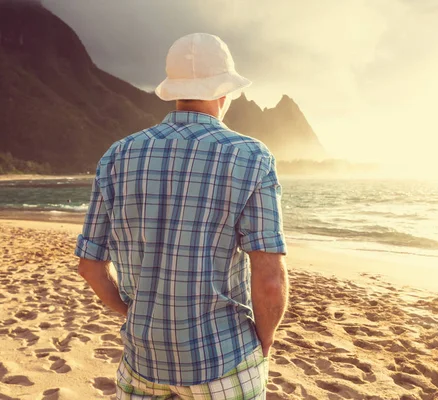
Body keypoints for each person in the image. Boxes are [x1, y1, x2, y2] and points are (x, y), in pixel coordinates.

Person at [75, 33, 288, 400]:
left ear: (174, 90)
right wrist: (264, 341)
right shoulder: (251, 157)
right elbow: (269, 280)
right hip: (224, 360)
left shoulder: (117, 155)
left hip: (142, 361)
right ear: (225, 91)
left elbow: (90, 267)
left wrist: (133, 313)